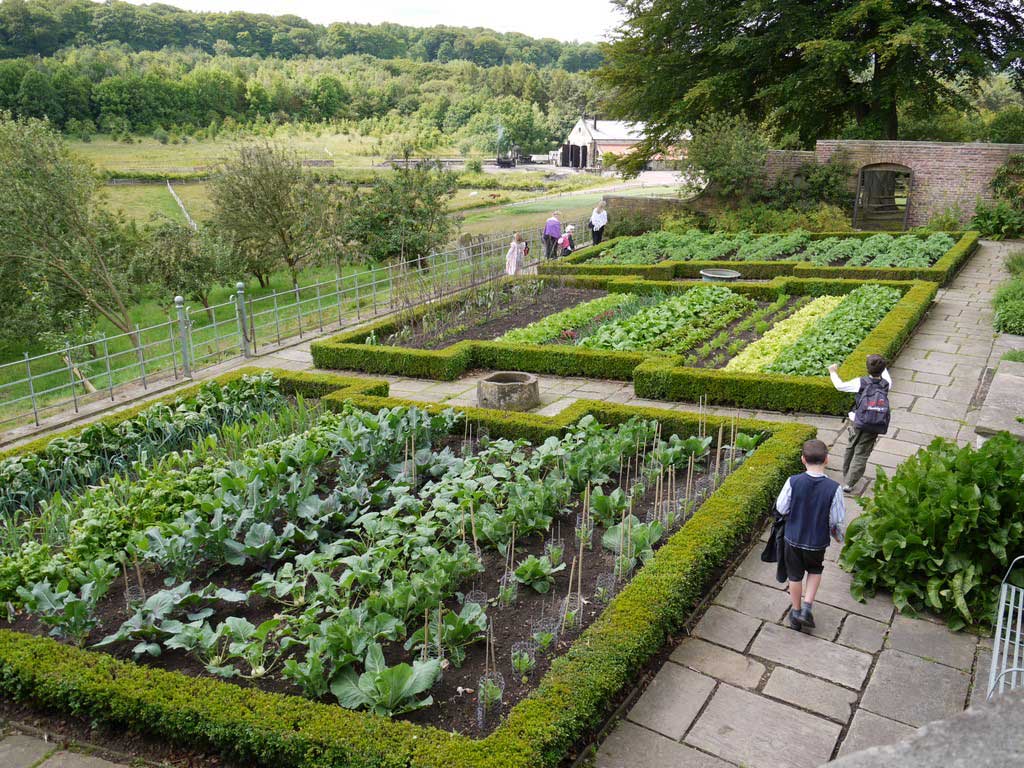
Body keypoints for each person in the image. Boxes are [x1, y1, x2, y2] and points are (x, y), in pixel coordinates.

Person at [775, 439, 845, 631]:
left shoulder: (793, 481)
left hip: (793, 538)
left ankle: (796, 612)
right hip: (817, 541)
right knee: (815, 570)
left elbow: (781, 507)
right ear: (827, 460)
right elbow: (836, 518)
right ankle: (807, 606)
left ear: (803, 460)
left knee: (795, 575)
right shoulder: (834, 488)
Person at [828, 354, 893, 494]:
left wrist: (833, 372)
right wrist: (877, 361)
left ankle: (847, 475)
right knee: (862, 452)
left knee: (851, 446)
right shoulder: (887, 382)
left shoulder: (860, 382)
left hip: (857, 420)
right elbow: (883, 370)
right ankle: (850, 483)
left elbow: (840, 386)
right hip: (875, 422)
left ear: (867, 368)